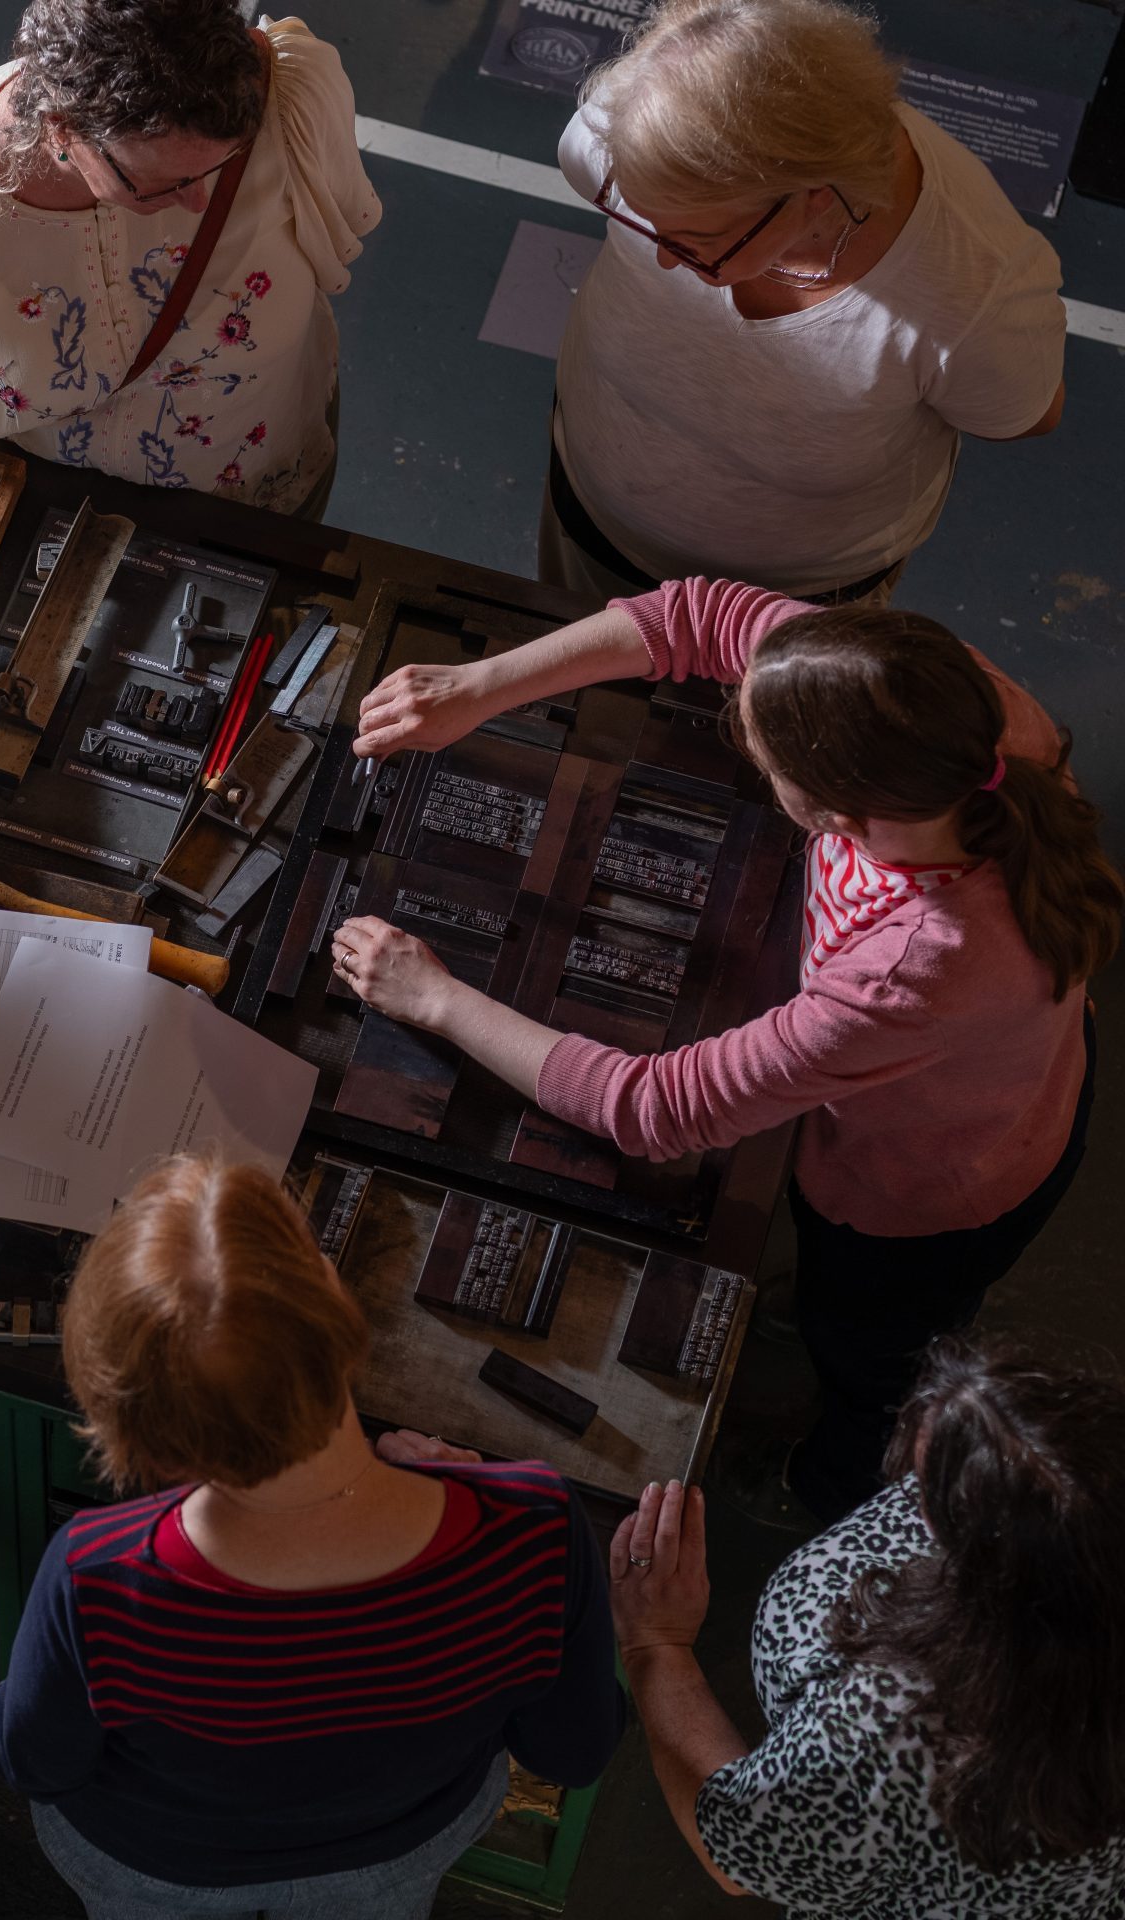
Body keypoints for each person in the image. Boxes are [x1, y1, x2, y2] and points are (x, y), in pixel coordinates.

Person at [342, 582, 1119, 1526]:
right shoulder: (938, 707)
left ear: (835, 815)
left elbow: (656, 1110)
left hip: (928, 1192)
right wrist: (479, 686)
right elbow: (697, 618)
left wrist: (437, 998)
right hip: (1004, 1086)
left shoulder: (919, 966)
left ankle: (826, 1482)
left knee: (876, 1353)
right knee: (843, 1304)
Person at [0, 1155, 625, 1918]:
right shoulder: (532, 1528)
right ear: (334, 1296)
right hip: (388, 1854)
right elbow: (572, 1752)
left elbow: (37, 1763)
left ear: (142, 1434)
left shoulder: (96, 1574)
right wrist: (473, 1495)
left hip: (161, 1863)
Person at [545, 0, 1065, 605]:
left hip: (792, 602)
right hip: (595, 527)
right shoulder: (614, 133)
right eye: (642, 218)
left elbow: (1027, 415)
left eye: (699, 244)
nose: (662, 259)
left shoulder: (978, 289)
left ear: (814, 199)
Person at [604, 1340, 1125, 1913]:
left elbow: (737, 1852)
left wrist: (655, 1644)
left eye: (927, 1492)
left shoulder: (894, 1734)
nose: (907, 1487)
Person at [0, 1, 380, 516]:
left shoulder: (289, 96)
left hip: (251, 482)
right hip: (45, 493)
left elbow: (334, 234)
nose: (198, 200)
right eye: (162, 183)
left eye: (218, 167)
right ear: (63, 129)